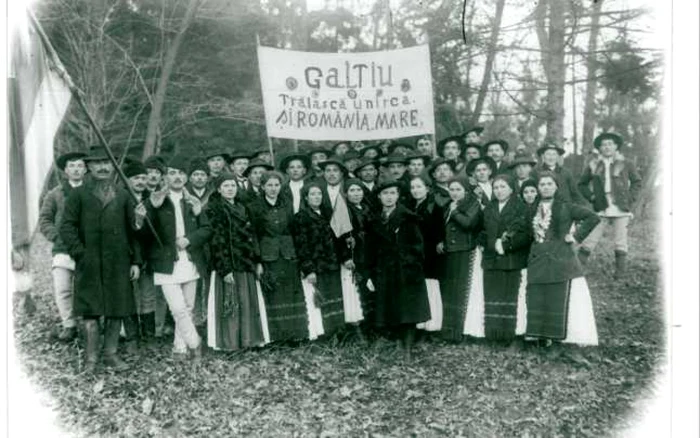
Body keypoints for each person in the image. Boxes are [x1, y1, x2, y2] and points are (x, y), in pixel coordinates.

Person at [60, 146, 146, 373]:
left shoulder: (123, 193)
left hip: (119, 263)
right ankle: (90, 359)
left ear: (113, 165)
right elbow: (66, 227)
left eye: (107, 162)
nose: (103, 166)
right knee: (90, 311)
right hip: (90, 262)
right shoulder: (78, 195)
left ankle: (110, 354)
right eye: (97, 163)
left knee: (116, 310)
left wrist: (136, 261)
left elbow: (133, 232)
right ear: (89, 167)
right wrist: (80, 253)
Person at [144, 155, 211, 360]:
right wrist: (148, 211)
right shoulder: (155, 200)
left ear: (186, 177)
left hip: (189, 260)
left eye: (181, 173)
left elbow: (207, 229)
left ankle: (179, 348)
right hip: (166, 262)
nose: (177, 177)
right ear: (165, 177)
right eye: (172, 173)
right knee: (177, 308)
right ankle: (195, 342)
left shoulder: (192, 200)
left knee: (189, 307)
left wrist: (189, 240)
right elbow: (145, 232)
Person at [525, 172, 600, 347]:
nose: (545, 187)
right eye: (542, 184)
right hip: (538, 259)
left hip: (559, 257)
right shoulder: (531, 209)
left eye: (549, 184)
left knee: (556, 297)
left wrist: (575, 236)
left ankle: (556, 340)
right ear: (538, 188)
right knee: (537, 297)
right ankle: (538, 338)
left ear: (556, 186)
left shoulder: (565, 206)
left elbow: (592, 217)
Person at [366, 181, 431, 360]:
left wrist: (409, 264)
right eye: (385, 193)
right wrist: (371, 271)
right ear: (379, 197)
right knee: (389, 307)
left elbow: (417, 246)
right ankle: (394, 343)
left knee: (407, 309)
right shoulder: (374, 219)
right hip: (384, 270)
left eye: (392, 193)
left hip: (405, 270)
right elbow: (370, 248)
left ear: (398, 196)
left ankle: (407, 348)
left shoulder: (408, 218)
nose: (389, 197)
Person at [204, 173, 268, 351]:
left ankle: (247, 340)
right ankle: (230, 343)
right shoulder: (215, 209)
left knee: (246, 302)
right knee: (230, 303)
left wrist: (257, 260)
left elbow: (251, 237)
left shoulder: (242, 207)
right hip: (228, 265)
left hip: (245, 263)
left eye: (232, 185)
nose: (230, 189)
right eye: (225, 186)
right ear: (218, 189)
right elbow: (217, 241)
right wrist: (225, 269)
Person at [248, 171, 310, 341]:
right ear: (262, 187)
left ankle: (296, 335)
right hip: (268, 256)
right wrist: (258, 261)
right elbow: (254, 235)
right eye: (269, 185)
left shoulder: (287, 204)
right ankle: (278, 337)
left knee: (292, 293)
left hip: (288, 254)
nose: (273, 189)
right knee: (274, 295)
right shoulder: (255, 207)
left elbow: (293, 230)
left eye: (276, 185)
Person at [577, 133, 642, 278]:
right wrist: (592, 197)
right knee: (591, 238)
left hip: (621, 206)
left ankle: (620, 274)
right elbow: (581, 184)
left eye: (610, 144)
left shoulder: (626, 163)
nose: (607, 147)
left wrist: (630, 198)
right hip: (601, 206)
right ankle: (577, 269)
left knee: (621, 241)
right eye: (603, 145)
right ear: (599, 148)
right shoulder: (594, 165)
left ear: (616, 146)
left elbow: (637, 182)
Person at [39, 151, 87, 342]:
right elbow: (45, 219)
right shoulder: (55, 194)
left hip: (87, 248)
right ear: (66, 171)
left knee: (87, 288)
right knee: (63, 288)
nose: (76, 170)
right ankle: (69, 325)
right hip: (63, 250)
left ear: (85, 170)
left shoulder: (92, 191)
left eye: (80, 166)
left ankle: (90, 324)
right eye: (72, 166)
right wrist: (57, 237)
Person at [292, 183, 349, 338]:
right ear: (305, 197)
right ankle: (324, 334)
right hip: (316, 266)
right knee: (319, 301)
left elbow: (338, 239)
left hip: (331, 264)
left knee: (334, 298)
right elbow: (301, 246)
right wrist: (309, 269)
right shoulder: (301, 217)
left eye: (319, 194)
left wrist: (344, 257)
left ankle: (338, 332)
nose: (316, 197)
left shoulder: (328, 214)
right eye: (312, 194)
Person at [480, 174, 531, 344]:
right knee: (492, 295)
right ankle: (492, 335)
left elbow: (526, 234)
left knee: (509, 296)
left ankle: (507, 336)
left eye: (503, 187)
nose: (499, 191)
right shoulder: (489, 208)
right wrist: (488, 242)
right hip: (491, 258)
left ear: (511, 188)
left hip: (511, 259)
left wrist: (507, 245)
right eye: (496, 187)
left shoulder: (521, 207)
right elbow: (481, 230)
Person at [436, 177, 482, 342]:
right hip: (450, 251)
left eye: (458, 189)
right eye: (452, 189)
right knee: (449, 291)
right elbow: (442, 225)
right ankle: (448, 331)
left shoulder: (473, 204)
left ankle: (459, 332)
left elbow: (468, 223)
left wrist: (455, 211)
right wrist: (441, 240)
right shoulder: (448, 204)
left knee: (460, 291)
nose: (454, 193)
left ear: (466, 191)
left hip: (464, 250)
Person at [122, 160, 154, 348]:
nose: (141, 181)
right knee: (130, 296)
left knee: (148, 295)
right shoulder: (121, 198)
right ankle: (132, 336)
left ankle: (148, 335)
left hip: (149, 256)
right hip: (128, 256)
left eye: (143, 177)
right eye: (136, 178)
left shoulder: (151, 199)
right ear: (128, 179)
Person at [408, 175, 444, 333]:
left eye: (419, 187)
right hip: (416, 253)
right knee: (419, 288)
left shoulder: (433, 206)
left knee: (430, 287)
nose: (415, 190)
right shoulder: (412, 206)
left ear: (427, 189)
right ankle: (420, 323)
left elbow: (439, 230)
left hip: (430, 253)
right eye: (413, 188)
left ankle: (433, 324)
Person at [344, 179, 375, 336]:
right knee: (359, 290)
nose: (356, 194)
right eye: (352, 190)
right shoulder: (344, 211)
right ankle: (360, 330)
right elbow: (340, 236)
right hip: (356, 255)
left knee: (371, 288)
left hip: (370, 252)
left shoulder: (367, 208)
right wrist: (346, 255)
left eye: (359, 190)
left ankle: (373, 326)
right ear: (346, 193)